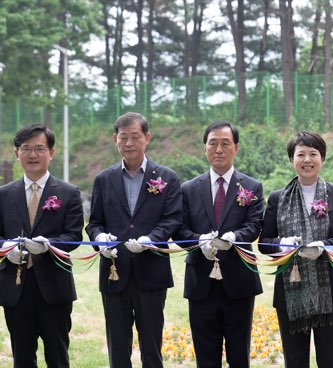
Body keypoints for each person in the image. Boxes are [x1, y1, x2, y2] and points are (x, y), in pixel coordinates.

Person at [86, 112, 183, 368]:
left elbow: (173, 219)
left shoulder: (166, 178)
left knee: (152, 346)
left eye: (135, 137)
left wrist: (151, 238)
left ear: (147, 138)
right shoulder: (103, 180)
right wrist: (100, 239)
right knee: (117, 347)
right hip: (114, 273)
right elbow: (93, 222)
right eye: (123, 137)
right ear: (115, 139)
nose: (129, 143)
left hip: (151, 272)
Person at [259, 131, 333, 368]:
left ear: (322, 158)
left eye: (313, 153)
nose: (307, 160)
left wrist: (322, 246)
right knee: (295, 361)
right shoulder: (278, 198)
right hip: (291, 289)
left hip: (331, 291)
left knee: (329, 360)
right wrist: (282, 244)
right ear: (292, 160)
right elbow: (264, 242)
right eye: (300, 154)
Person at [177, 121, 264, 367]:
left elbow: (255, 225)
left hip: (239, 280)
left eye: (225, 144)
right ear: (204, 148)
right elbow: (180, 228)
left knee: (239, 353)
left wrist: (234, 238)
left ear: (236, 148)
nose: (218, 149)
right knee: (205, 353)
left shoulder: (251, 186)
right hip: (200, 281)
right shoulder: (189, 189)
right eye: (212, 143)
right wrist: (199, 241)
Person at [0, 124, 83, 368]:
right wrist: (7, 250)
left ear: (52, 152)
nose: (33, 155)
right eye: (26, 149)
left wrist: (49, 245)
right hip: (15, 286)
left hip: (54, 286)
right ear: (17, 153)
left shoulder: (68, 193)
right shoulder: (4, 194)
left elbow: (74, 236)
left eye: (39, 148)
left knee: (57, 354)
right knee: (22, 356)